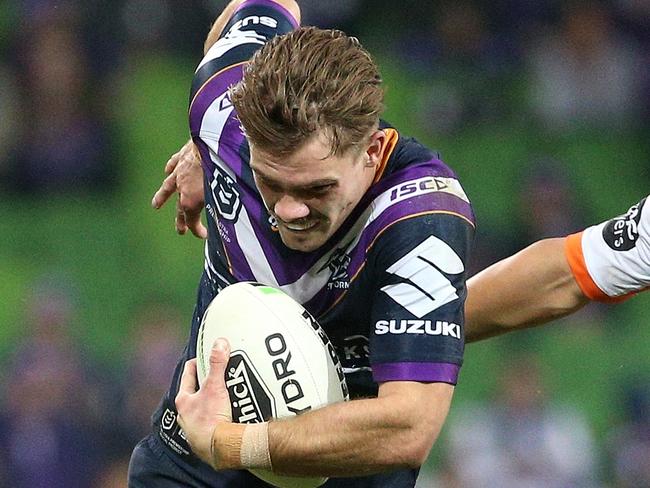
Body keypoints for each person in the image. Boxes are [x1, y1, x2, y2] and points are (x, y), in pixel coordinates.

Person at [130, 1, 475, 487]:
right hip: (189, 471)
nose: (288, 209)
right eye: (271, 181)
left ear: (371, 153)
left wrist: (230, 444)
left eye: (317, 189)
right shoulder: (219, 104)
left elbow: (408, 426)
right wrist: (199, 147)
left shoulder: (421, 219)